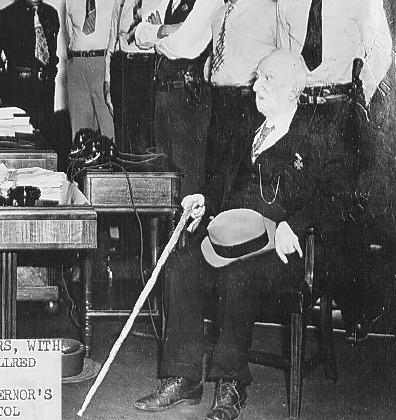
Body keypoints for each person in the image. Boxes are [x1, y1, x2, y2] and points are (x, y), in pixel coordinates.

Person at [133, 50, 354, 420]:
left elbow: (340, 199)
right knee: (181, 267)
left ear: (294, 90)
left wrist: (294, 225)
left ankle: (231, 384)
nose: (258, 86)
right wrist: (204, 197)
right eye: (258, 77)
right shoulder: (247, 125)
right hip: (233, 239)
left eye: (270, 80)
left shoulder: (317, 133)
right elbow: (223, 179)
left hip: (283, 250)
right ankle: (183, 377)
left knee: (238, 278)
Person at [274, 0, 392, 341]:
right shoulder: (289, 0)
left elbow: (381, 52)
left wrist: (358, 93)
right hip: (302, 110)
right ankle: (300, 297)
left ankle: (356, 306)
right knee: (299, 201)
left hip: (343, 111)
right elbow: (287, 60)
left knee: (341, 209)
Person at [135, 0, 223, 195]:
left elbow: (185, 47)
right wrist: (169, 29)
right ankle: (168, 240)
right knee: (163, 180)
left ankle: (189, 240)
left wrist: (159, 32)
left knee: (188, 178)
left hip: (189, 99)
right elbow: (140, 36)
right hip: (161, 96)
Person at [202, 0, 277, 208]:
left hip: (249, 106)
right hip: (219, 104)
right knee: (215, 177)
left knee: (242, 182)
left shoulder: (270, 12)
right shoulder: (218, 15)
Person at [105, 0, 170, 154]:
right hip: (123, 72)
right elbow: (113, 41)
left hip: (151, 72)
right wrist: (108, 81)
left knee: (150, 146)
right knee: (124, 146)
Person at [0, 0, 61, 146]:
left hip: (45, 92)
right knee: (20, 145)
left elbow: (51, 57)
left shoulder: (51, 15)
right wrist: (7, 94)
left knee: (45, 143)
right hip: (17, 92)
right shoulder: (6, 16)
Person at [64, 0, 126, 140]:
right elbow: (72, 35)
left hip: (105, 65)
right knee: (80, 137)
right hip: (78, 67)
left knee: (110, 133)